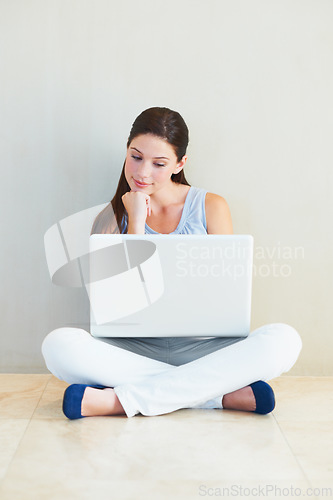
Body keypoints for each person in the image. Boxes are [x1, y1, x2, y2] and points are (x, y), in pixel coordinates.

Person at [42, 107, 302, 419]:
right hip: (133, 350)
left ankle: (118, 402)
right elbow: (117, 307)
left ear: (180, 164)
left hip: (204, 349)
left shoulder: (211, 207)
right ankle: (214, 396)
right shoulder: (109, 220)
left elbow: (225, 294)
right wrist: (136, 224)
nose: (142, 172)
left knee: (284, 341)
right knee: (58, 347)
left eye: (159, 163)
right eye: (136, 157)